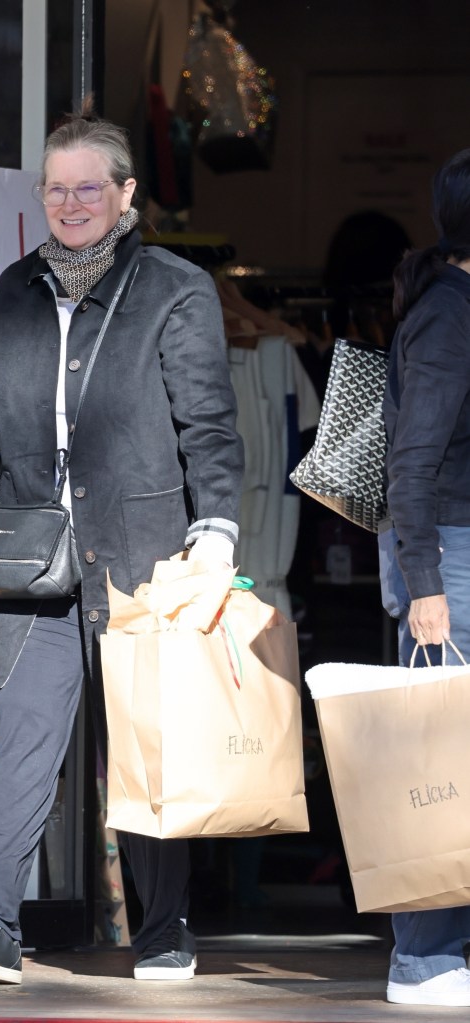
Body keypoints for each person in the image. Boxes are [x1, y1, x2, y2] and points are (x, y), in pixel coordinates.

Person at [0, 96, 243, 986]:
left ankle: (163, 928)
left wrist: (215, 537)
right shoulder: (15, 292)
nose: (70, 203)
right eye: (55, 189)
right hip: (31, 563)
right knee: (21, 741)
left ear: (126, 192)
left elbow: (211, 428)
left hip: (142, 557)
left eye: (87, 187)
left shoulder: (175, 290)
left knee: (141, 746)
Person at [381, 147, 470, 1007]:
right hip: (451, 553)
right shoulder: (450, 313)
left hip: (453, 550)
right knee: (440, 756)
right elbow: (413, 459)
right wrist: (424, 581)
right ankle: (427, 958)